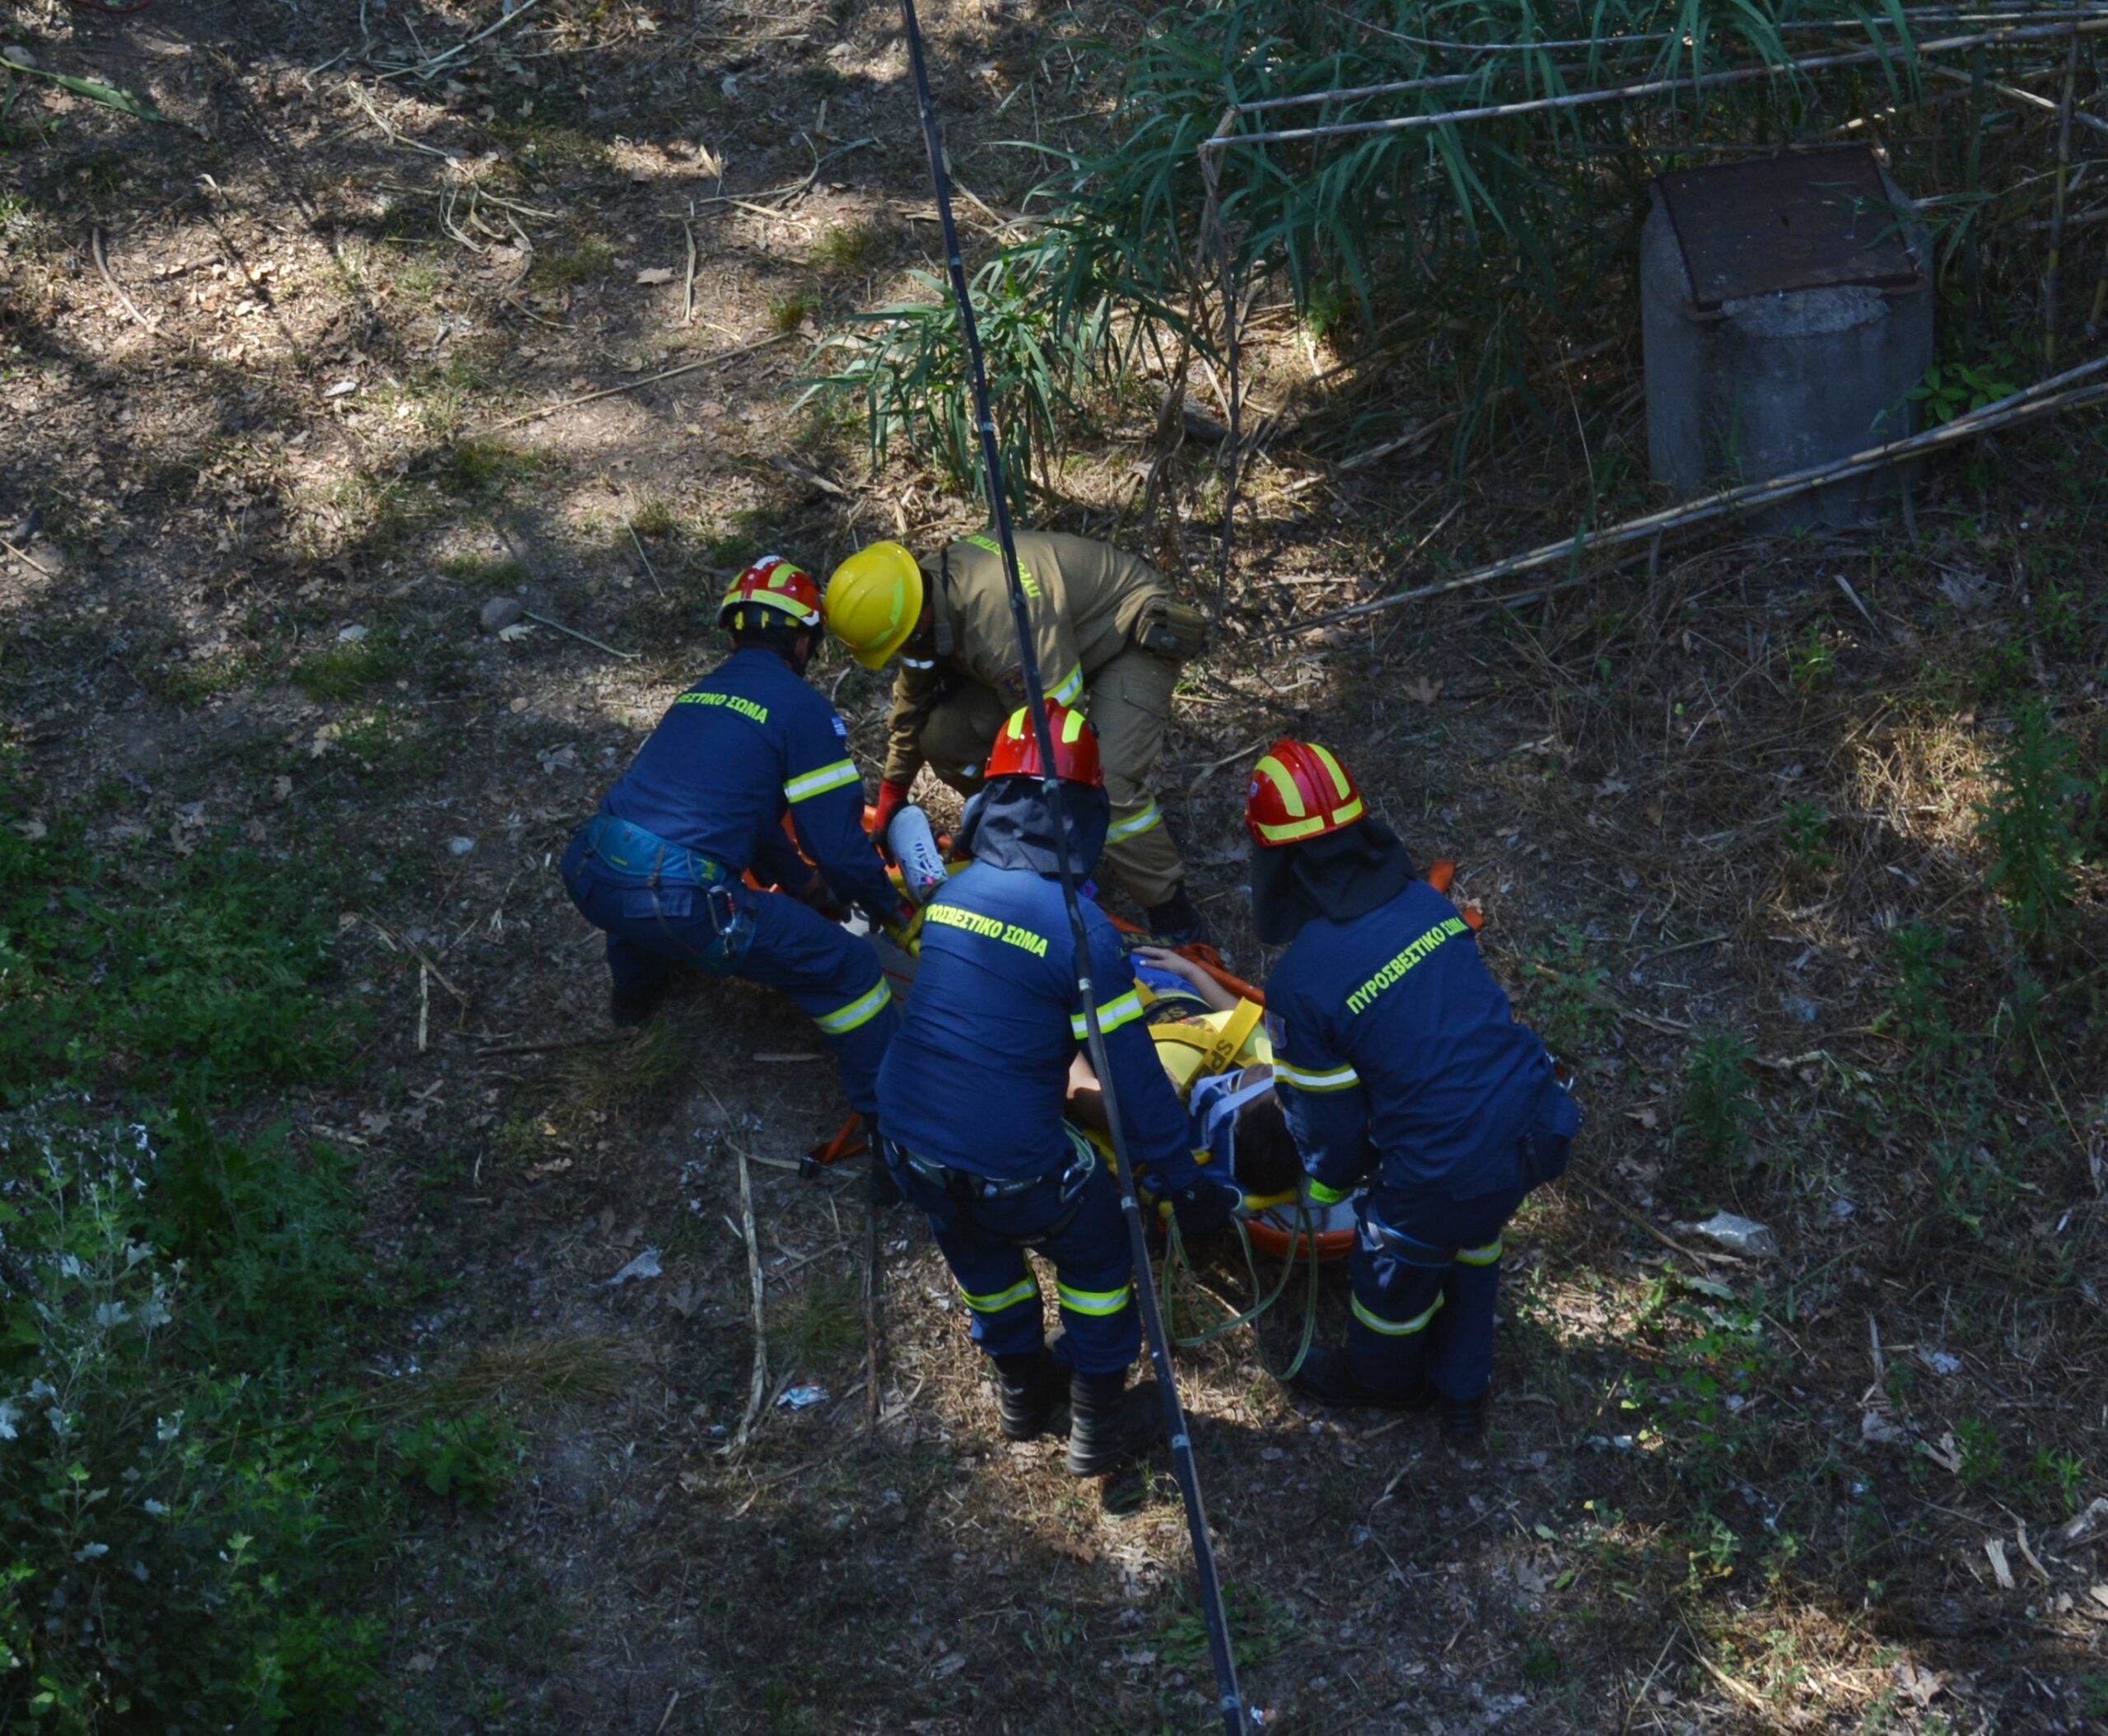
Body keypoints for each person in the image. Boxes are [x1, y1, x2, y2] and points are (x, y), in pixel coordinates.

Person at [876, 701, 1241, 1475]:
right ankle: (1096, 1424)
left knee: (976, 1248)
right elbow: (1132, 1079)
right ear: (1083, 815)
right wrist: (1183, 1182)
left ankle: (1020, 1393)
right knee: (1100, 1254)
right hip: (1013, 1160)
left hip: (907, 1140)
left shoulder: (952, 900)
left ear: (992, 802)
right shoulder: (1080, 931)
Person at [1247, 740, 1579, 1440]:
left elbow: (1330, 1132)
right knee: (1476, 1228)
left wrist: (1329, 1190)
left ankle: (1383, 1381)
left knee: (1392, 1271)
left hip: (1444, 1170)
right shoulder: (1426, 907)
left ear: (1278, 863)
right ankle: (1464, 1391)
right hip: (1539, 1120)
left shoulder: (1302, 980)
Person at [559, 557, 902, 1121]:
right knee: (853, 972)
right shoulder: (802, 709)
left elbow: (752, 819)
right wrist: (893, 912)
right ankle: (895, 1128)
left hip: (591, 866)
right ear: (801, 639)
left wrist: (805, 887)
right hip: (680, 899)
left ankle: (634, 1000)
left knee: (636, 889)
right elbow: (838, 845)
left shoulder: (698, 695)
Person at [823, 533, 1212, 945]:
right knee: (943, 739)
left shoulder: (998, 620)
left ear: (914, 616)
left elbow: (1059, 737)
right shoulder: (914, 600)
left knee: (1106, 780)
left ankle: (1172, 913)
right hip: (1060, 646)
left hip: (1129, 635)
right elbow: (912, 706)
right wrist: (892, 792)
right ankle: (1026, 836)